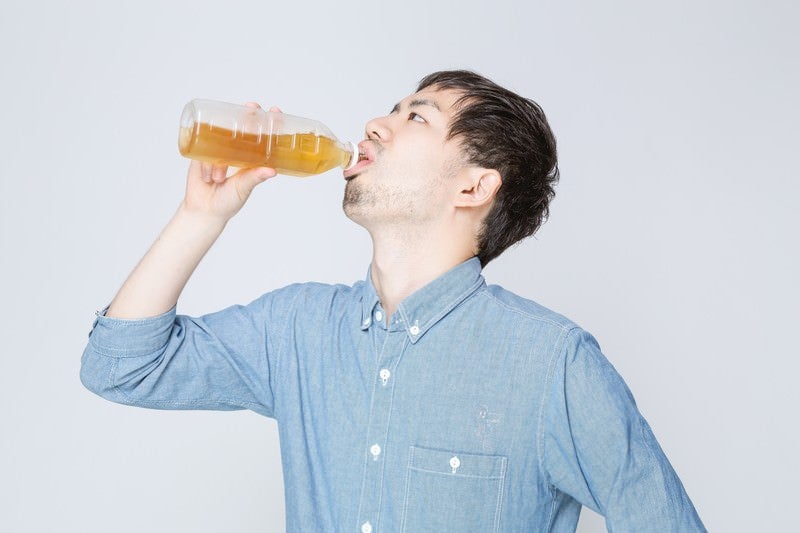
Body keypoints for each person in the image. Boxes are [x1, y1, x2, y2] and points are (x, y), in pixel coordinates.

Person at [81, 70, 705, 532]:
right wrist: (201, 216)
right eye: (391, 109)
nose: (374, 125)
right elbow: (120, 366)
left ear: (474, 185)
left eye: (417, 117)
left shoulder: (551, 364)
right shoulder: (299, 330)